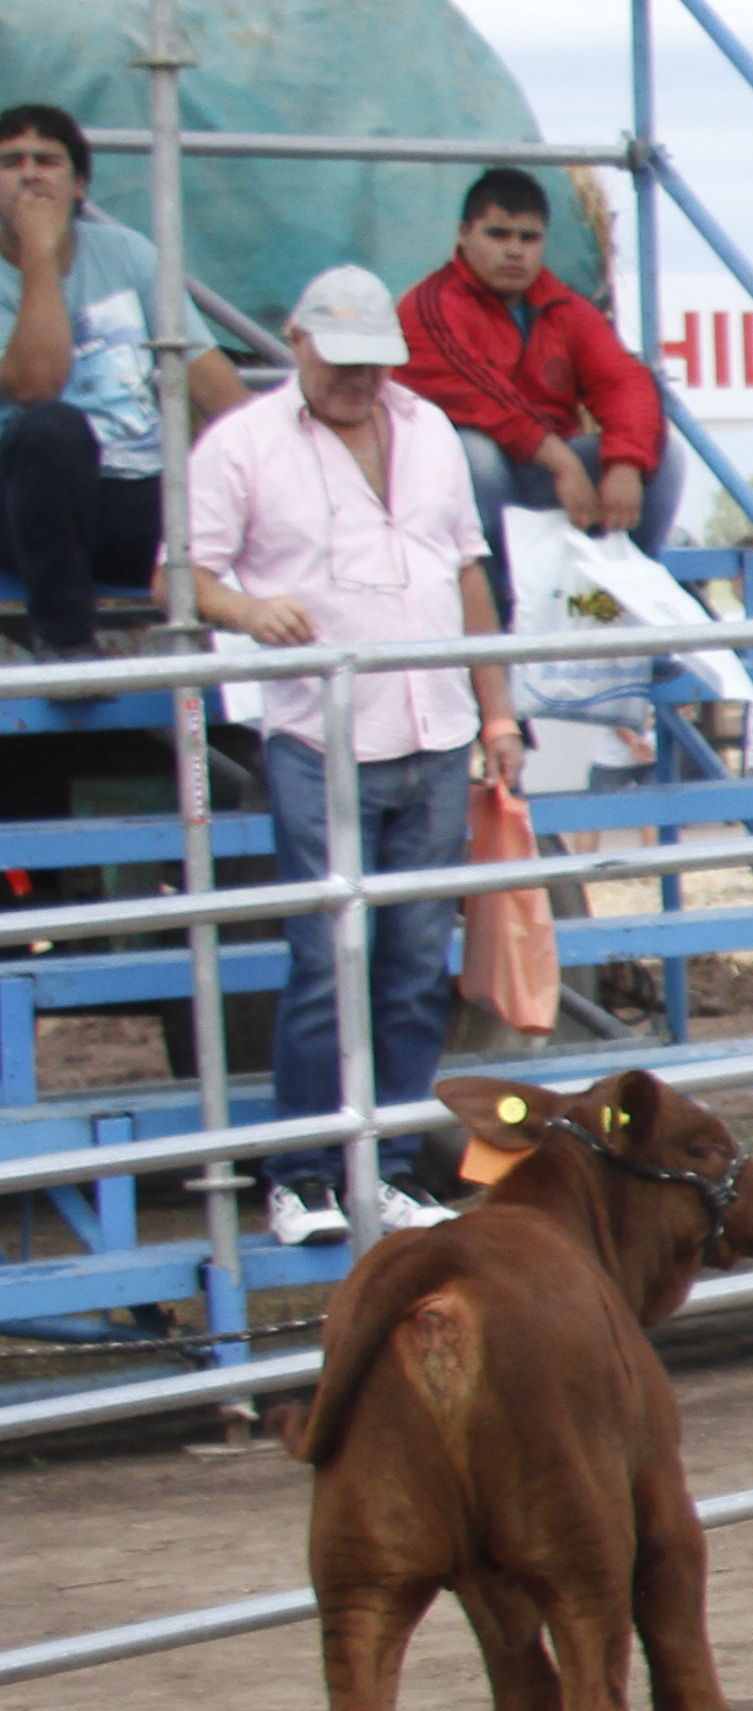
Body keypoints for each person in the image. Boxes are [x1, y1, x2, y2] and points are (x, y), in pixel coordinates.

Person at [184, 267, 523, 1248]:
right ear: (295, 344)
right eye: (342, 363)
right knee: (327, 963)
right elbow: (188, 571)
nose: (359, 381)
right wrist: (250, 610)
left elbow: (466, 574)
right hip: (316, 730)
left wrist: (496, 713)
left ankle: (389, 1167)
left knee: (415, 964)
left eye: (374, 364)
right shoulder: (242, 444)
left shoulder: (430, 437)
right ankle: (302, 1174)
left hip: (434, 724)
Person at [0, 98, 252, 654]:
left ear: (80, 185)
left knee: (248, 466)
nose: (30, 175)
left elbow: (213, 384)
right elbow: (33, 386)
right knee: (51, 427)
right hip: (26, 509)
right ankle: (66, 645)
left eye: (47, 160)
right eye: (12, 161)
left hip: (138, 501)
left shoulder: (129, 253)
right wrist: (39, 253)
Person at [392, 166, 673, 616]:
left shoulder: (563, 306)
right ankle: (499, 608)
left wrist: (626, 464)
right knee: (473, 454)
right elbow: (482, 398)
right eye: (499, 235)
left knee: (663, 458)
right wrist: (564, 463)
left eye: (529, 238)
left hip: (539, 471)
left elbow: (626, 380)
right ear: (464, 235)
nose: (514, 251)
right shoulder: (428, 307)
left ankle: (623, 602)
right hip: (450, 488)